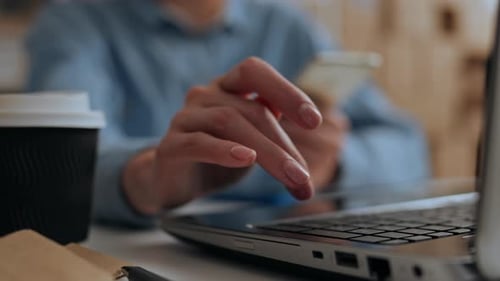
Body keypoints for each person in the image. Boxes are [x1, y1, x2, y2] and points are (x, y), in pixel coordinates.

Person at [25, 0, 430, 227]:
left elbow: (408, 147)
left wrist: (336, 162)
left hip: (284, 234)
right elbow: (55, 162)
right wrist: (148, 174)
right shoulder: (74, 22)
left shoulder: (287, 24)